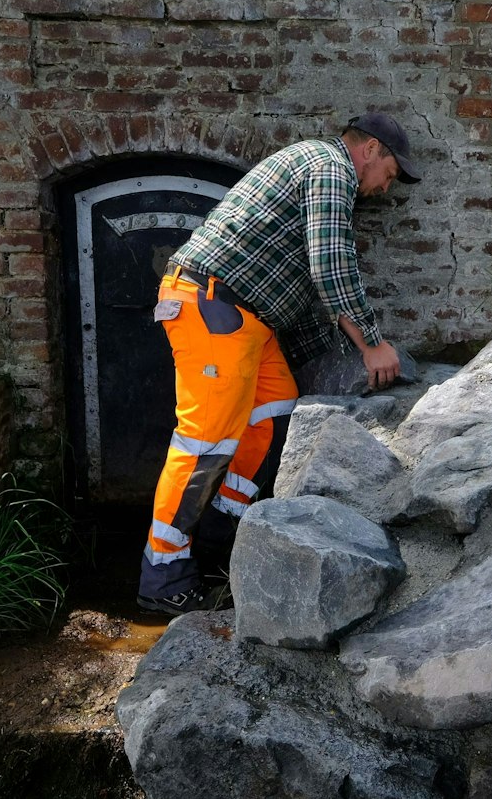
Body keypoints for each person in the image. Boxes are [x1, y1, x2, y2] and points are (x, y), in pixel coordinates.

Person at [136, 112, 420, 615]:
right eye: (391, 174)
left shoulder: (317, 169)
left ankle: (222, 530)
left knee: (275, 410)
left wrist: (336, 358)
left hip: (247, 315)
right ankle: (164, 573)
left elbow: (299, 291)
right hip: (213, 304)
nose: (385, 187)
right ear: (371, 150)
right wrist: (372, 344)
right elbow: (329, 263)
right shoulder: (331, 168)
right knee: (206, 441)